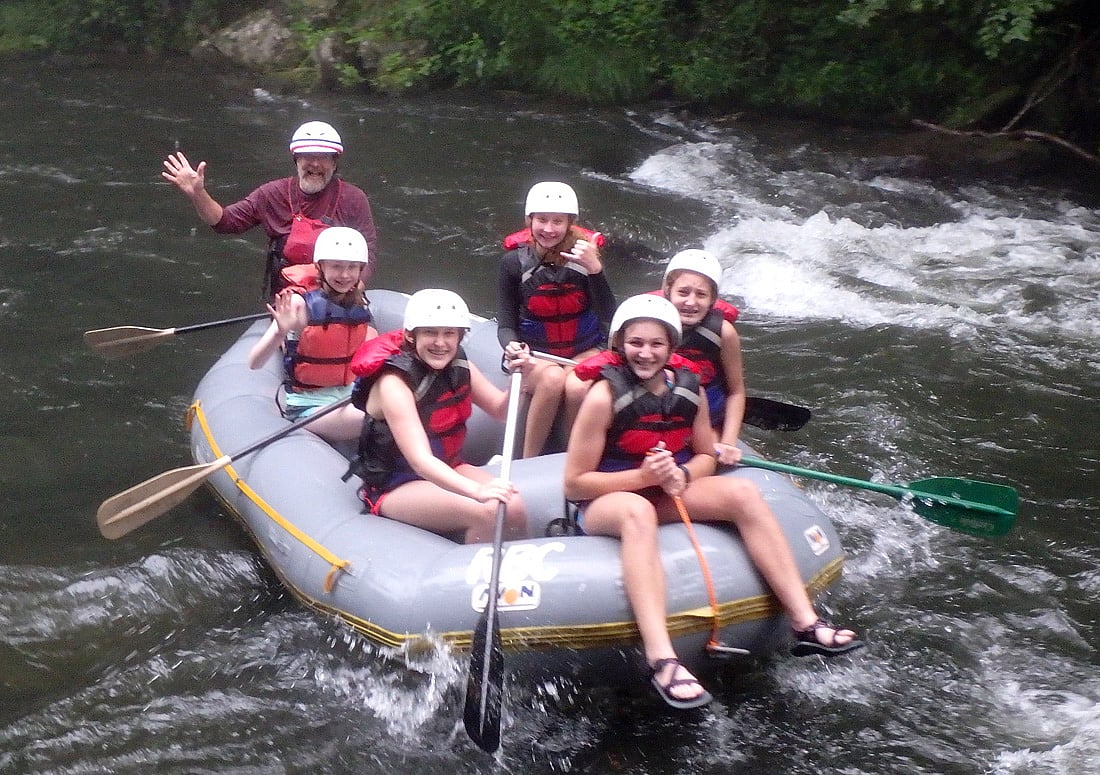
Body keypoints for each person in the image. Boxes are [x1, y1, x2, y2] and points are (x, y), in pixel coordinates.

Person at [563, 294, 862, 710]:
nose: (645, 353)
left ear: (671, 348)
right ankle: (661, 659)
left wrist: (681, 475)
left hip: (665, 488)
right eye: (635, 343)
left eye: (656, 344)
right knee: (638, 511)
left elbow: (706, 455)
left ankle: (805, 623)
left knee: (743, 493)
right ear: (619, 345)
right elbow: (575, 483)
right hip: (607, 499)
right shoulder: (601, 397)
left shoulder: (690, 389)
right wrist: (643, 478)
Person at [346, 289, 529, 544]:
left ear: (459, 336)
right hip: (397, 486)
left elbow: (501, 411)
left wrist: (521, 379)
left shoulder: (460, 365)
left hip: (450, 466)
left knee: (514, 506)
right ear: (412, 335)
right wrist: (477, 491)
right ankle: (473, 577)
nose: (440, 343)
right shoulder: (394, 384)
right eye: (430, 332)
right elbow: (421, 461)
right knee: (489, 510)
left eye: (449, 333)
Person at [161, 120, 378, 296]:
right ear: (296, 160)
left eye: (323, 158)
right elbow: (224, 222)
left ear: (334, 162)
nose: (315, 164)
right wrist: (198, 194)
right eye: (307, 157)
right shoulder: (272, 194)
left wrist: (351, 293)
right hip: (286, 301)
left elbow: (368, 251)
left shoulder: (353, 199)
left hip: (341, 297)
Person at [497, 181, 615, 458]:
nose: (549, 229)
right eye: (542, 220)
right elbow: (506, 323)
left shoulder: (586, 258)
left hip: (584, 351)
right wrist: (512, 345)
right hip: (538, 355)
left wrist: (596, 270)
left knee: (576, 386)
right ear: (529, 221)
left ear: (570, 223)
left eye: (557, 222)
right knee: (552, 379)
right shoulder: (513, 263)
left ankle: (573, 458)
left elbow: (609, 314)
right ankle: (529, 460)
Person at [247, 227, 376, 442]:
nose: (345, 275)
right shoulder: (300, 305)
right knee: (376, 416)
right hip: (310, 408)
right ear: (320, 267)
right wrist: (280, 331)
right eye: (336, 266)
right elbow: (254, 362)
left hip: (347, 394)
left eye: (352, 267)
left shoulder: (357, 303)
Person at [659, 249, 747, 466]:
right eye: (683, 292)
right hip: (658, 414)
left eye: (701, 294)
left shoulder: (723, 333)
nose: (691, 302)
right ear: (668, 291)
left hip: (705, 419)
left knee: (705, 458)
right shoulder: (648, 326)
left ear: (712, 300)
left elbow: (736, 392)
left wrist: (728, 442)